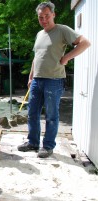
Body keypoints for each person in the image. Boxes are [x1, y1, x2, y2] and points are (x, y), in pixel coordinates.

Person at [17, 1, 91, 158]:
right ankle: (33, 142)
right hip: (37, 80)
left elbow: (85, 43)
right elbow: (36, 57)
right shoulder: (39, 34)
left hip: (54, 80)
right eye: (40, 17)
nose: (44, 19)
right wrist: (31, 76)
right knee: (32, 113)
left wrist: (67, 58)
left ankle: (48, 146)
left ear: (53, 15)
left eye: (46, 16)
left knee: (51, 115)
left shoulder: (62, 30)